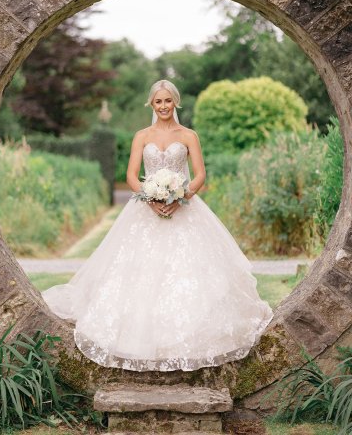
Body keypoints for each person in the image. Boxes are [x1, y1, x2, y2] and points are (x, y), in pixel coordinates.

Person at [41, 79, 274, 371]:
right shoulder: (142, 136)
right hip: (145, 209)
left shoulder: (189, 135)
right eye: (158, 102)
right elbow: (130, 175)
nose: (163, 106)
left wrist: (182, 196)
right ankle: (137, 332)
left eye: (167, 101)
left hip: (184, 208)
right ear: (151, 105)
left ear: (175, 102)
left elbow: (200, 174)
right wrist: (149, 197)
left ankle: (186, 332)